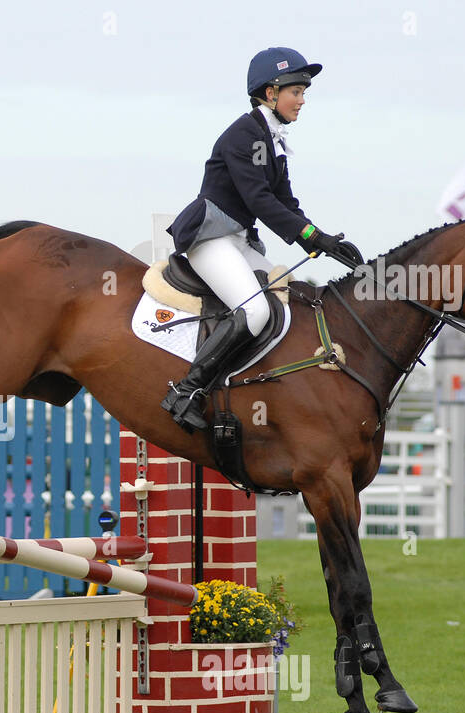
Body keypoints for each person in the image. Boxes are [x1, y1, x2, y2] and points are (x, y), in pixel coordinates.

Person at [162, 47, 364, 433]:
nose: (303, 100)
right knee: (254, 311)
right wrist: (309, 234)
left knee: (288, 300)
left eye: (305, 92)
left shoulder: (272, 138)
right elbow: (260, 200)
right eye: (297, 92)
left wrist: (323, 243)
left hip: (238, 239)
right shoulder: (245, 134)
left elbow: (286, 202)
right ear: (271, 93)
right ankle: (188, 390)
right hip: (211, 239)